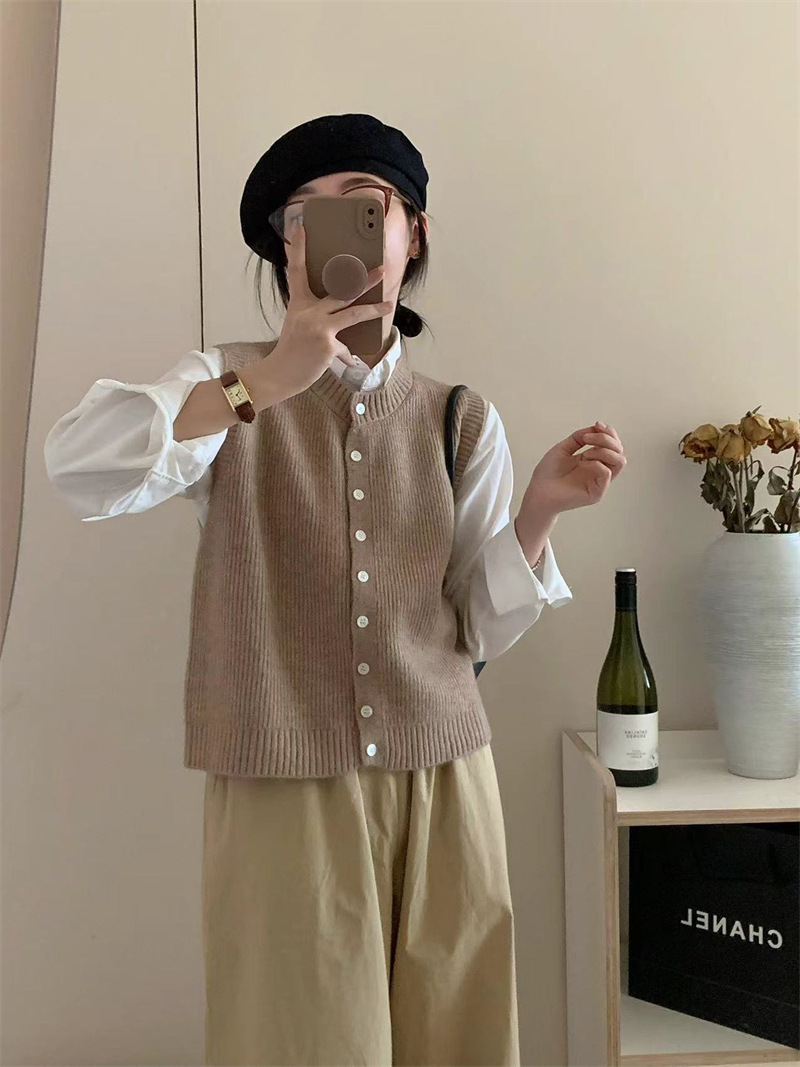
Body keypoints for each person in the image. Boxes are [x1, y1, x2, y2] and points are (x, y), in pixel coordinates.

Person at [44, 113, 627, 1066]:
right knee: (300, 1045)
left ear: (413, 233)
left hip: (446, 780)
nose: (330, 227)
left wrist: (540, 512)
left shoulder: (459, 417)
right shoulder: (225, 383)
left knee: (460, 1041)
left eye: (364, 204)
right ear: (285, 249)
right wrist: (265, 382)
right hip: (282, 783)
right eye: (301, 214)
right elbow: (79, 467)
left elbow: (472, 629)